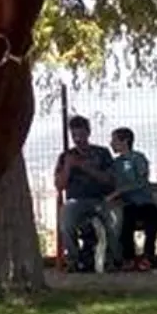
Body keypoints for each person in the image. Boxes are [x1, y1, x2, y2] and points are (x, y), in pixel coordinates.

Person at [54, 116, 116, 270]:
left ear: (88, 133)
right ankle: (75, 261)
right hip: (75, 201)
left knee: (112, 223)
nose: (78, 139)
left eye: (81, 135)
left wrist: (85, 167)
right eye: (74, 136)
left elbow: (109, 180)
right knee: (66, 224)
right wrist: (68, 167)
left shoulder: (102, 153)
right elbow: (59, 185)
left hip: (100, 199)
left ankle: (111, 260)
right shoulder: (65, 156)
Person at [109, 127, 157, 270]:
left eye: (115, 140)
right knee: (126, 223)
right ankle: (128, 258)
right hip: (128, 203)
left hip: (145, 201)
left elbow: (141, 181)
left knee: (151, 221)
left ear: (125, 141)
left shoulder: (138, 158)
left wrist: (120, 191)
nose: (111, 144)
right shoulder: (115, 163)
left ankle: (148, 256)